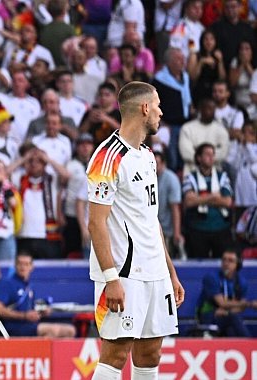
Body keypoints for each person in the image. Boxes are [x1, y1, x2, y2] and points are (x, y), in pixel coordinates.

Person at [87, 82, 185, 380]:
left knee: (150, 353)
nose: (160, 112)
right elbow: (96, 223)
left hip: (155, 272)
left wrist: (170, 271)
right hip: (124, 274)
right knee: (116, 353)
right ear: (144, 109)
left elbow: (150, 219)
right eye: (157, 105)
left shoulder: (146, 156)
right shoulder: (106, 158)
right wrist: (111, 278)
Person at [0, 252, 77, 337]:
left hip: (30, 325)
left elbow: (30, 310)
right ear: (15, 265)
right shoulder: (8, 284)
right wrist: (24, 316)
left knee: (70, 330)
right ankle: (39, 350)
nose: (23, 267)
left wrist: (41, 313)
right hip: (15, 326)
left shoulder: (29, 286)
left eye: (26, 264)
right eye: (20, 264)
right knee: (52, 331)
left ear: (32, 267)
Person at [197, 250, 255, 337]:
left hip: (226, 316)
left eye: (230, 260)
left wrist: (227, 312)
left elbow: (241, 308)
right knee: (233, 318)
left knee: (231, 328)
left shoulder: (241, 282)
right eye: (224, 260)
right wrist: (249, 304)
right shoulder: (212, 278)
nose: (226, 263)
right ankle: (250, 345)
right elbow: (222, 303)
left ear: (238, 264)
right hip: (209, 315)